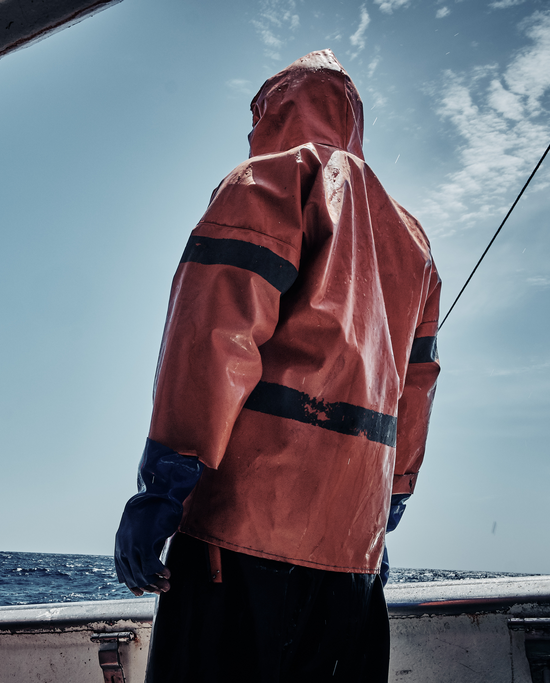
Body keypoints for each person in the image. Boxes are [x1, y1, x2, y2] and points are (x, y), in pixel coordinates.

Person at [114, 49, 440, 682]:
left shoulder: (266, 182)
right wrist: (390, 499)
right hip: (356, 558)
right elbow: (416, 387)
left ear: (277, 108)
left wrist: (162, 488)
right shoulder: (413, 242)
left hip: (240, 545)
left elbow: (210, 340)